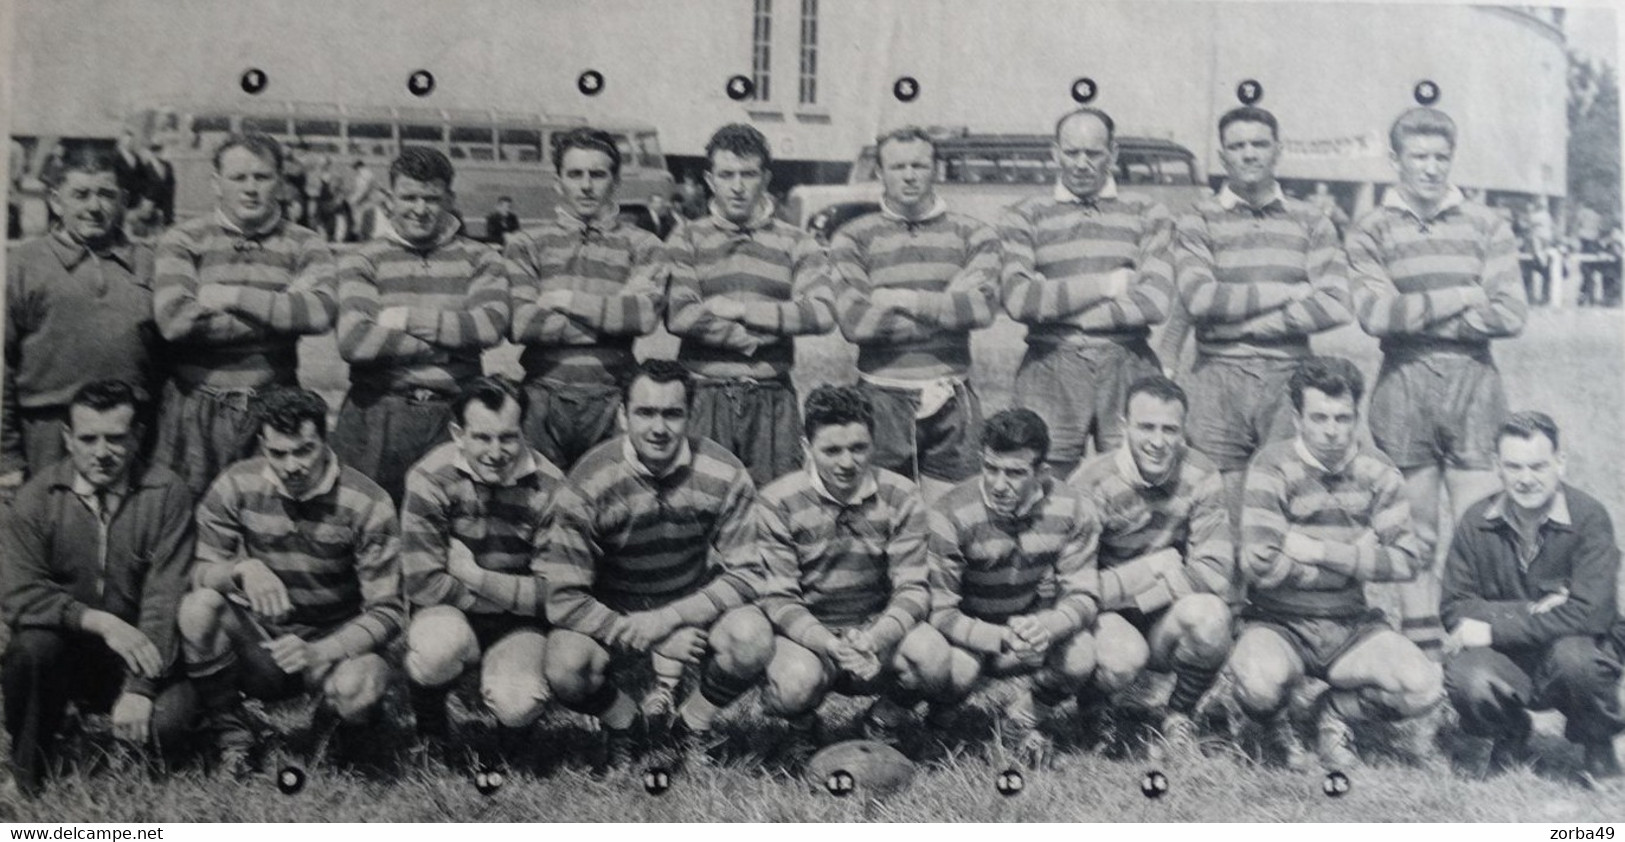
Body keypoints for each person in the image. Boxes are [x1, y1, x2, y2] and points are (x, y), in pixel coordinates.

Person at [1346, 107, 1528, 656]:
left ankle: (1477, 658)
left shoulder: (1486, 223)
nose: (1430, 168)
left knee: (1481, 530)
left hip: (1474, 380)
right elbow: (1375, 316)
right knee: (1415, 532)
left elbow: (1512, 313)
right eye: (1419, 157)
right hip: (1403, 380)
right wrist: (1461, 297)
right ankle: (1423, 657)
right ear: (1395, 159)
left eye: (1441, 157)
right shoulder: (1370, 229)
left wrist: (1420, 311)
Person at [539, 360, 771, 772]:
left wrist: (672, 619)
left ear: (690, 415)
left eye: (672, 413)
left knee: (752, 637)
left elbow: (749, 572)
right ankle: (623, 721)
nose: (658, 428)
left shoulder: (723, 470)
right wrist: (647, 636)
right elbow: (562, 598)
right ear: (622, 414)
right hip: (616, 613)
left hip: (690, 608)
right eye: (645, 413)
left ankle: (693, 723)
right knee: (564, 664)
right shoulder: (589, 479)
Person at [1228, 356, 1442, 770]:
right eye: (1319, 417)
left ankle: (1336, 713)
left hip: (1350, 624)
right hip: (1278, 621)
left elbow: (1408, 562)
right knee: (1258, 682)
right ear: (1297, 418)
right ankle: (1274, 722)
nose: (1331, 430)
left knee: (1424, 688)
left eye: (1343, 418)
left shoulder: (1378, 471)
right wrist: (1361, 556)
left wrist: (1320, 551)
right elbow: (1261, 566)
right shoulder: (1271, 465)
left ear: (1356, 416)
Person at [176, 387, 403, 775]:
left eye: (304, 450)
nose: (291, 465)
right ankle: (234, 735)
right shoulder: (236, 483)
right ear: (262, 443)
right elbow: (197, 572)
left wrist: (324, 650)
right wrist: (242, 570)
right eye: (278, 453)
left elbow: (390, 612)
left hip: (335, 645)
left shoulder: (367, 501)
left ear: (324, 440)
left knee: (358, 687)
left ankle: (334, 729)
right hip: (268, 644)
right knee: (197, 609)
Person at [0, 381, 197, 798]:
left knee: (169, 728)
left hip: (139, 650)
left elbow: (165, 597)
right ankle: (28, 772)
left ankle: (119, 727)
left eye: (116, 438)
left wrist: (142, 689)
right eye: (88, 438)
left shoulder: (167, 493)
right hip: (66, 650)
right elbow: (20, 593)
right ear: (68, 439)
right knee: (29, 650)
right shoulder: (38, 496)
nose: (102, 452)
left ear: (138, 435)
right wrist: (98, 620)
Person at [1173, 106, 1352, 521]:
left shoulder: (1311, 221)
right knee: (1222, 511)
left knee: (1291, 503)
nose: (1249, 154)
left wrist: (1245, 320)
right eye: (1237, 146)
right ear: (1223, 156)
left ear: (1278, 151)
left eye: (1259, 144)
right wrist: (1288, 293)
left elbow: (1336, 302)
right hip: (1216, 377)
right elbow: (1200, 299)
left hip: (1289, 375)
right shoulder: (1198, 219)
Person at [900, 409, 1102, 767]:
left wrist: (1050, 626)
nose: (998, 483)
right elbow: (939, 610)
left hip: (1029, 630)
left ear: (1042, 473)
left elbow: (1084, 594)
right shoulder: (949, 513)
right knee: (958, 670)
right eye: (991, 468)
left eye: (1014, 473)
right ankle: (938, 721)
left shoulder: (1074, 507)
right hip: (966, 637)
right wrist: (1001, 637)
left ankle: (1021, 720)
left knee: (1081, 653)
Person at [150, 133, 338, 497]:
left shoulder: (305, 244)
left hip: (274, 406)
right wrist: (280, 312)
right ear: (216, 184)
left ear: (281, 183)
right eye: (239, 178)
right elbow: (175, 321)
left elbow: (319, 314)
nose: (251, 188)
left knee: (268, 519)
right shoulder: (184, 239)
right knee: (182, 520)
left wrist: (230, 295)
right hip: (193, 405)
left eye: (262, 177)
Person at [752, 385, 932, 764]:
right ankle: (802, 728)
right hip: (807, 633)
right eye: (831, 450)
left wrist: (875, 637)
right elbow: (779, 598)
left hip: (874, 628)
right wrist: (828, 643)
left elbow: (913, 588)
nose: (847, 462)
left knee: (933, 656)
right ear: (806, 448)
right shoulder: (777, 500)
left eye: (858, 448)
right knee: (794, 683)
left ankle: (885, 720)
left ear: (873, 444)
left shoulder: (901, 494)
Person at [1440, 411, 1624, 783]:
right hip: (1512, 658)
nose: (1526, 479)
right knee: (1467, 676)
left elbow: (1592, 614)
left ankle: (1597, 743)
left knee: (1579, 660)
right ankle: (1510, 731)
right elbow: (1455, 606)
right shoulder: (1476, 521)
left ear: (1560, 462)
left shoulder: (1589, 518)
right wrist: (1535, 610)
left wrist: (1491, 628)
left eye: (1538, 466)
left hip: (1574, 650)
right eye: (1514, 467)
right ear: (1497, 466)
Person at [1000, 107, 1176, 479]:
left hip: (1128, 360)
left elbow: (1156, 300)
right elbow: (1019, 299)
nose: (1081, 164)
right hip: (1050, 363)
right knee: (1042, 479)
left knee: (1133, 477)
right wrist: (1110, 286)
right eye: (1071, 152)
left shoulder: (1148, 212)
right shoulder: (1024, 215)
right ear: (1054, 152)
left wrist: (1056, 307)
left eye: (1093, 153)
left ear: (1113, 153)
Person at [827, 126, 1001, 501]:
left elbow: (983, 309)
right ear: (879, 172)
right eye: (898, 166)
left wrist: (897, 299)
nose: (909, 175)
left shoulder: (974, 234)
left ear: (935, 169)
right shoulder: (852, 237)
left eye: (919, 165)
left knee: (949, 517)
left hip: (952, 395)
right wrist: (947, 305)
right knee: (883, 516)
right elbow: (855, 323)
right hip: (880, 396)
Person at [330, 147, 512, 504]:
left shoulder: (481, 258)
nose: (419, 209)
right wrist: (455, 342)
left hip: (453, 413)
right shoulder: (362, 259)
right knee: (367, 521)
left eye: (431, 198)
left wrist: (403, 319)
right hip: (376, 412)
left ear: (450, 199)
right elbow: (355, 341)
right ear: (388, 199)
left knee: (453, 525)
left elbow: (490, 327)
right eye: (409, 197)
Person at [1067, 376, 1235, 751]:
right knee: (1124, 657)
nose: (1158, 442)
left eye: (1169, 429)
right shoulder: (1091, 481)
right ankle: (1095, 705)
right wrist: (1148, 572)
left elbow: (1216, 571)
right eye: (1146, 427)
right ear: (1124, 427)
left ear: (1182, 432)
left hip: (1159, 612)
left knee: (1211, 617)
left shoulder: (1202, 473)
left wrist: (1146, 596)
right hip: (1104, 617)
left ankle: (1178, 713)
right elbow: (1072, 585)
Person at [400, 377, 563, 760]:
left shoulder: (552, 487)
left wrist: (474, 575)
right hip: (451, 612)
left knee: (518, 700)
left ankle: (511, 750)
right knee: (437, 650)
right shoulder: (429, 477)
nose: (495, 452)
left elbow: (553, 596)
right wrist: (512, 595)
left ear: (523, 430)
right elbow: (423, 585)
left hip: (518, 626)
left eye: (508, 437)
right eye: (481, 438)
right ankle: (432, 730)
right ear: (459, 433)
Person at [666, 124, 836, 486]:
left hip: (772, 398)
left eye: (749, 174)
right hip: (704, 396)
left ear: (766, 177)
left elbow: (821, 313)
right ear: (710, 179)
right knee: (701, 501)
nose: (738, 186)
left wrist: (743, 311)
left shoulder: (797, 241)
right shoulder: (686, 237)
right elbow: (680, 314)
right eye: (727, 175)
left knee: (775, 505)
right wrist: (755, 338)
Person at [503, 128, 668, 471]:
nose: (586, 185)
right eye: (575, 174)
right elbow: (522, 323)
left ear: (616, 180)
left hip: (613, 397)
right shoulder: (526, 244)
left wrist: (563, 299)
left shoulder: (643, 244)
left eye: (598, 174)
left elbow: (643, 318)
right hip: (541, 397)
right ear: (558, 181)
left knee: (608, 500)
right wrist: (613, 315)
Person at [2, 148, 163, 495]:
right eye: (81, 195)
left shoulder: (150, 264)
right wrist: (7, 458)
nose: (94, 206)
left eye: (106, 195)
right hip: (47, 432)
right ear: (56, 202)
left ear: (123, 200)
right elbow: (3, 365)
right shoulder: (23, 265)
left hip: (128, 433)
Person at [346, 159, 381, 242]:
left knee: (361, 223)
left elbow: (363, 190)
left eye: (355, 168)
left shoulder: (364, 175)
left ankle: (362, 241)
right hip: (368, 202)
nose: (355, 170)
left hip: (364, 203)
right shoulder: (367, 173)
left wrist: (352, 200)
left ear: (358, 167)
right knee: (367, 224)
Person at [143, 142, 176, 230]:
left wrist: (170, 192)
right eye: (154, 151)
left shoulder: (167, 165)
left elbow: (172, 181)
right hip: (153, 198)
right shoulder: (146, 167)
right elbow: (143, 184)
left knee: (167, 222)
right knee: (152, 223)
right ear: (150, 152)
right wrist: (148, 198)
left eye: (159, 151)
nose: (157, 153)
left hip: (167, 199)